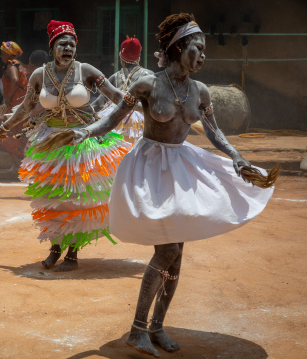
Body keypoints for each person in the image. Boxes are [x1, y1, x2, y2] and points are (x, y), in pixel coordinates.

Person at [65, 14, 274, 356]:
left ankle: (157, 327)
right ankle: (137, 329)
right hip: (149, 167)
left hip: (181, 168)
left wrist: (236, 155)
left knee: (176, 257)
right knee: (167, 251)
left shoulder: (201, 91)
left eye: (205, 49)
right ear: (179, 48)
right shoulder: (147, 84)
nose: (204, 55)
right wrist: (86, 131)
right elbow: (114, 116)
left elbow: (214, 131)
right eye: (198, 47)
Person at [0, 20, 131, 271]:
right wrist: (4, 126)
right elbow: (26, 108)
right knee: (55, 198)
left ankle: (73, 253)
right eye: (62, 44)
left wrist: (140, 110)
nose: (68, 48)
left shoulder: (86, 71)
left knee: (77, 199)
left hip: (83, 142)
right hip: (50, 144)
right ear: (52, 46)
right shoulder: (39, 75)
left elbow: (118, 98)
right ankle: (55, 248)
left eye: (71, 44)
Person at [94, 36, 153, 143]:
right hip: (139, 124)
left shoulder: (114, 78)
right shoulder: (149, 76)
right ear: (139, 57)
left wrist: (81, 114)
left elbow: (99, 103)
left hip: (114, 119)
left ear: (121, 58)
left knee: (116, 156)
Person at [0, 41, 29, 169]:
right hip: (24, 104)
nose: (1, 56)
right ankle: (22, 165)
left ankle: (20, 165)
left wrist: (8, 98)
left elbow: (15, 80)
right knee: (22, 134)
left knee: (5, 133)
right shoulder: (23, 66)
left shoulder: (11, 64)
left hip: (14, 104)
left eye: (2, 53)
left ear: (9, 54)